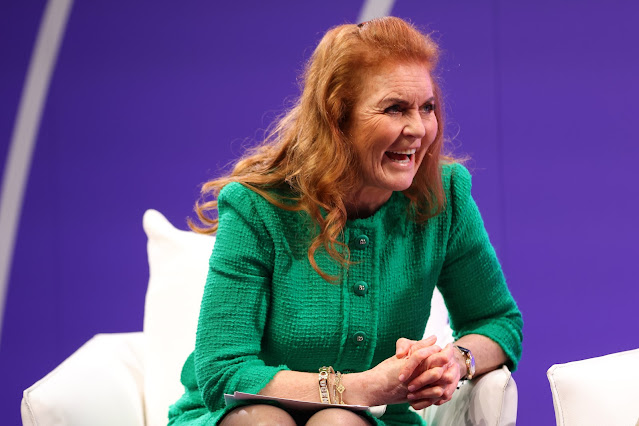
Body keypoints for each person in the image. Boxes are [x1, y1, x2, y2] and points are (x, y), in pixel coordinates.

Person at [168, 17, 523, 426]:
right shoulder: (257, 206)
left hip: (373, 420)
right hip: (238, 415)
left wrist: (455, 362)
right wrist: (362, 387)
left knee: (337, 423)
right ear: (337, 118)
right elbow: (222, 371)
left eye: (427, 107)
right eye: (395, 108)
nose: (418, 129)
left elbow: (497, 321)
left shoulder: (444, 195)